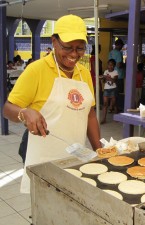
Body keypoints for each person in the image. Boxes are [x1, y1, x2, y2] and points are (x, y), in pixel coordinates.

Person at [3, 14, 102, 194]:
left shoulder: (84, 73)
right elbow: (7, 109)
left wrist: (100, 152)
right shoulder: (36, 70)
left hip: (75, 157)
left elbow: (90, 114)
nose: (74, 54)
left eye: (80, 48)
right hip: (44, 158)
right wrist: (24, 112)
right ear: (54, 41)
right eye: (67, 47)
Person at [108, 38, 125, 111]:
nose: (122, 47)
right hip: (118, 75)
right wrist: (125, 64)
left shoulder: (111, 52)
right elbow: (119, 65)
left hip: (111, 74)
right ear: (119, 45)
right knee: (117, 93)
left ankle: (111, 107)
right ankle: (114, 108)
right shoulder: (118, 53)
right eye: (121, 45)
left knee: (113, 92)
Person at [100, 59, 118, 124]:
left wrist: (107, 77)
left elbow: (115, 80)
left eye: (112, 65)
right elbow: (104, 81)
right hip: (106, 89)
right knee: (105, 104)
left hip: (113, 89)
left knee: (114, 103)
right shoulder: (105, 71)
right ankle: (104, 119)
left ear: (114, 66)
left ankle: (116, 117)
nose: (110, 66)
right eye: (109, 65)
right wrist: (103, 78)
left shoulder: (115, 72)